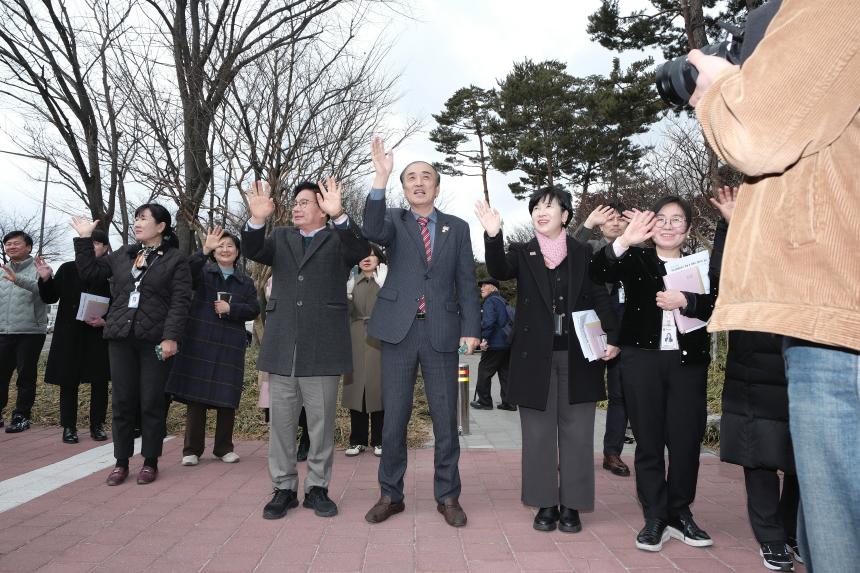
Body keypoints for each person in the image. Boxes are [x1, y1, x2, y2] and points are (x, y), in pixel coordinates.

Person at [689, 2, 860, 570]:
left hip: (833, 309)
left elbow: (756, 133)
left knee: (839, 536)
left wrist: (719, 84)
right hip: (821, 312)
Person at [476, 188, 620, 534]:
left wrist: (613, 336)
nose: (541, 212)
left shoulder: (583, 252)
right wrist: (493, 235)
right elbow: (498, 268)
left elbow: (599, 294)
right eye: (536, 208)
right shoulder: (522, 252)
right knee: (537, 435)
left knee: (578, 434)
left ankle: (572, 505)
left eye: (549, 207)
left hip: (578, 354)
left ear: (565, 216)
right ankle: (545, 503)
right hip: (533, 357)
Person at [362, 137, 481, 528]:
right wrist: (380, 177)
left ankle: (448, 496)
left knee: (446, 420)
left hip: (443, 333)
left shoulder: (457, 228)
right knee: (394, 418)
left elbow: (467, 282)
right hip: (399, 332)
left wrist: (471, 329)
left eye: (426, 176)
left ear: (437, 186)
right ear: (403, 187)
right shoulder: (393, 221)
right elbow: (371, 227)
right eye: (411, 177)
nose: (418, 182)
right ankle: (390, 495)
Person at [590, 196, 716, 552]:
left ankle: (680, 512)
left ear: (687, 228)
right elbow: (597, 273)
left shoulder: (702, 265)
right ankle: (655, 516)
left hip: (687, 364)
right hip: (642, 361)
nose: (668, 226)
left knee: (686, 441)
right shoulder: (635, 259)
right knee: (648, 441)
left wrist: (688, 301)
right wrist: (624, 240)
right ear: (650, 225)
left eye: (677, 220)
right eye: (661, 218)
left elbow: (718, 302)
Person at [242, 177, 368, 521]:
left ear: (323, 209)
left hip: (323, 347)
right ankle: (283, 488)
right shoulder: (281, 237)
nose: (297, 208)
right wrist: (256, 219)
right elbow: (252, 250)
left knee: (321, 425)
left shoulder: (338, 238)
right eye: (295, 203)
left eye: (305, 203)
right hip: (283, 344)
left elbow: (361, 251)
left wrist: (340, 215)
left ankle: (317, 488)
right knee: (281, 424)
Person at [710, 187, 799, 572]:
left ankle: (792, 531)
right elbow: (719, 278)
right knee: (758, 452)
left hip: (801, 357)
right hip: (754, 364)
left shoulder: (805, 231)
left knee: (802, 457)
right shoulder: (741, 230)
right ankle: (772, 538)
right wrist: (731, 226)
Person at [71, 205, 192, 485]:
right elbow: (89, 273)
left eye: (144, 219)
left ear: (161, 226)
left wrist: (171, 337)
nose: (137, 223)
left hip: (155, 340)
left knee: (151, 401)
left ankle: (150, 461)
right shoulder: (124, 254)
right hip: (121, 338)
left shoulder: (175, 259)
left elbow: (180, 301)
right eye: (136, 218)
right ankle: (121, 462)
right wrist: (84, 239)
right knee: (123, 401)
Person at [166, 227, 260, 466]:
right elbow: (185, 272)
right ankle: (191, 450)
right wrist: (204, 250)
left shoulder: (245, 282)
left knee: (227, 397)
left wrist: (232, 309)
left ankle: (223, 448)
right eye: (220, 246)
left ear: (237, 252)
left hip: (230, 345)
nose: (225, 250)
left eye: (230, 246)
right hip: (200, 341)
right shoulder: (203, 273)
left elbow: (254, 309)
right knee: (196, 398)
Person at [35, 230, 112, 443]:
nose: (92, 248)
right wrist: (46, 278)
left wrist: (107, 320)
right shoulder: (68, 268)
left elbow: (119, 302)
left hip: (98, 332)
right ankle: (68, 426)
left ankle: (97, 425)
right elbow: (50, 297)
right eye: (89, 244)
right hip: (69, 333)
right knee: (68, 381)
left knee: (99, 381)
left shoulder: (110, 271)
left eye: (96, 244)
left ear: (105, 248)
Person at [573, 204, 632, 477]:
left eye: (620, 219)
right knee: (582, 394)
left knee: (620, 395)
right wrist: (587, 223)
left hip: (626, 333)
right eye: (609, 219)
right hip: (592, 328)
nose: (615, 223)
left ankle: (612, 453)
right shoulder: (589, 248)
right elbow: (567, 249)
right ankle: (575, 453)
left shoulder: (637, 251)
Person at [342, 245, 387, 457]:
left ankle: (380, 440)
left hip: (380, 339)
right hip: (355, 338)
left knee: (378, 390)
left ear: (379, 259)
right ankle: (357, 440)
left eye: (371, 255)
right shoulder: (352, 282)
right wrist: (347, 295)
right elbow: (344, 315)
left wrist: (385, 288)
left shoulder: (386, 281)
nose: (367, 258)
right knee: (356, 389)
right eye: (362, 255)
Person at [0, 231, 48, 433]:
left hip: (30, 331)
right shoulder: (2, 270)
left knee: (25, 376)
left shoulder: (40, 268)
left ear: (28, 247)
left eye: (16, 243)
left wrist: (18, 279)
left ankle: (21, 416)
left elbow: (47, 293)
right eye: (8, 244)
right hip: (3, 331)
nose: (11, 247)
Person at [469, 278, 514, 411]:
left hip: (494, 343)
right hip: (506, 342)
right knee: (505, 372)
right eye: (481, 286)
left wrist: (485, 339)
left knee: (484, 370)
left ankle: (485, 402)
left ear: (493, 287)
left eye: (485, 285)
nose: (481, 288)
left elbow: (489, 322)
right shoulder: (502, 300)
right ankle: (509, 403)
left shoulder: (490, 301)